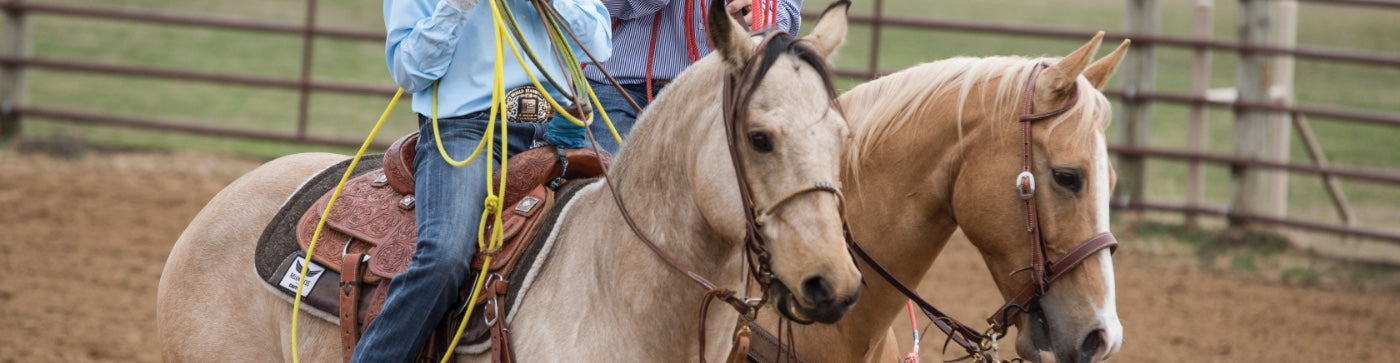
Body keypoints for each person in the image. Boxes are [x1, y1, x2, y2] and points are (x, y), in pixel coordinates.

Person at [351, 0, 611, 361]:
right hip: (467, 131)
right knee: (444, 257)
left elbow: (600, 45)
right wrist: (456, 7)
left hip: (555, 127)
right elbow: (409, 72)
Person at [581, 0, 803, 154]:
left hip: (717, 91)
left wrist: (762, 14)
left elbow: (786, 10)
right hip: (618, 87)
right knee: (607, 195)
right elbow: (589, 6)